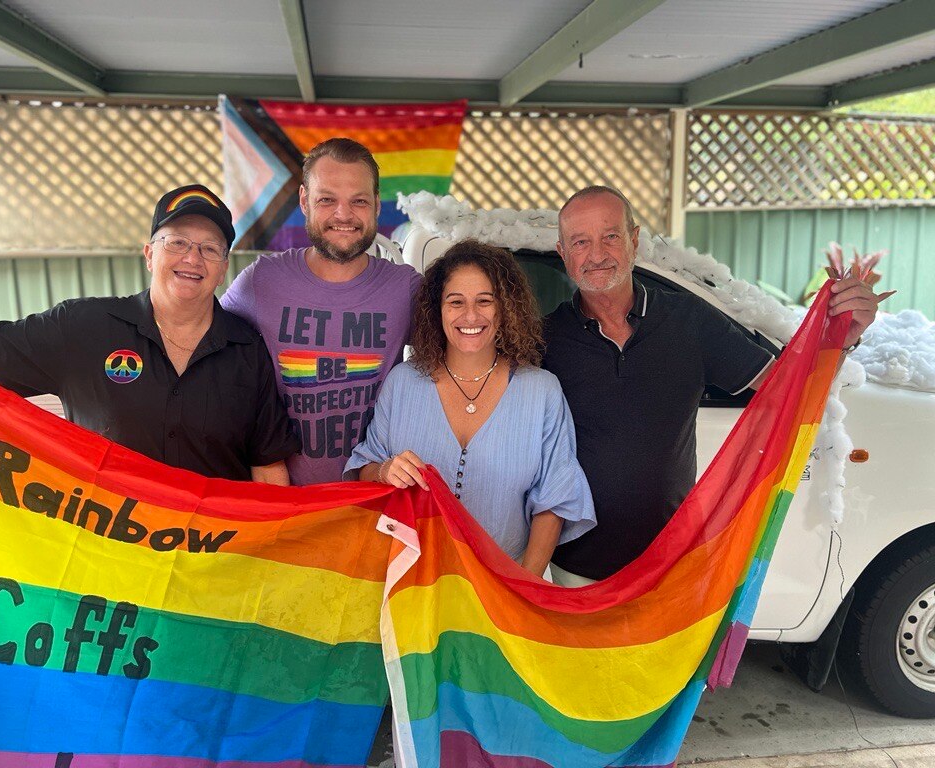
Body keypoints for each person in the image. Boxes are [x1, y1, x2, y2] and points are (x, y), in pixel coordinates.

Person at [544, 185, 886, 585]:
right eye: (580, 242)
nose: (597, 254)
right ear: (563, 253)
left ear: (634, 241)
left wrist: (842, 338)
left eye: (610, 236)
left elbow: (788, 389)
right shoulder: (543, 340)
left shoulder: (689, 320)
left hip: (672, 566)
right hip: (575, 570)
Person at [0, 184, 298, 483]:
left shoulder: (248, 349)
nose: (192, 258)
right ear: (150, 254)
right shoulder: (83, 327)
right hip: (108, 555)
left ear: (224, 267)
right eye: (177, 242)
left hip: (212, 556)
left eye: (210, 248)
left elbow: (267, 469)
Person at [344, 240, 595, 577]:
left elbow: (555, 499)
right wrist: (385, 470)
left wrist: (524, 585)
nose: (471, 316)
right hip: (412, 581)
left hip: (504, 581)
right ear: (437, 309)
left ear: (505, 308)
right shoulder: (402, 382)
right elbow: (365, 469)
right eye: (456, 302)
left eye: (485, 301)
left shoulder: (542, 391)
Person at [222, 138, 421, 485]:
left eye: (358, 201)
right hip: (284, 498)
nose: (343, 215)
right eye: (327, 199)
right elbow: (205, 348)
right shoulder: (261, 281)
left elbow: (460, 361)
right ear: (304, 200)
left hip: (374, 495)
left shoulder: (405, 288)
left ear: (376, 205)